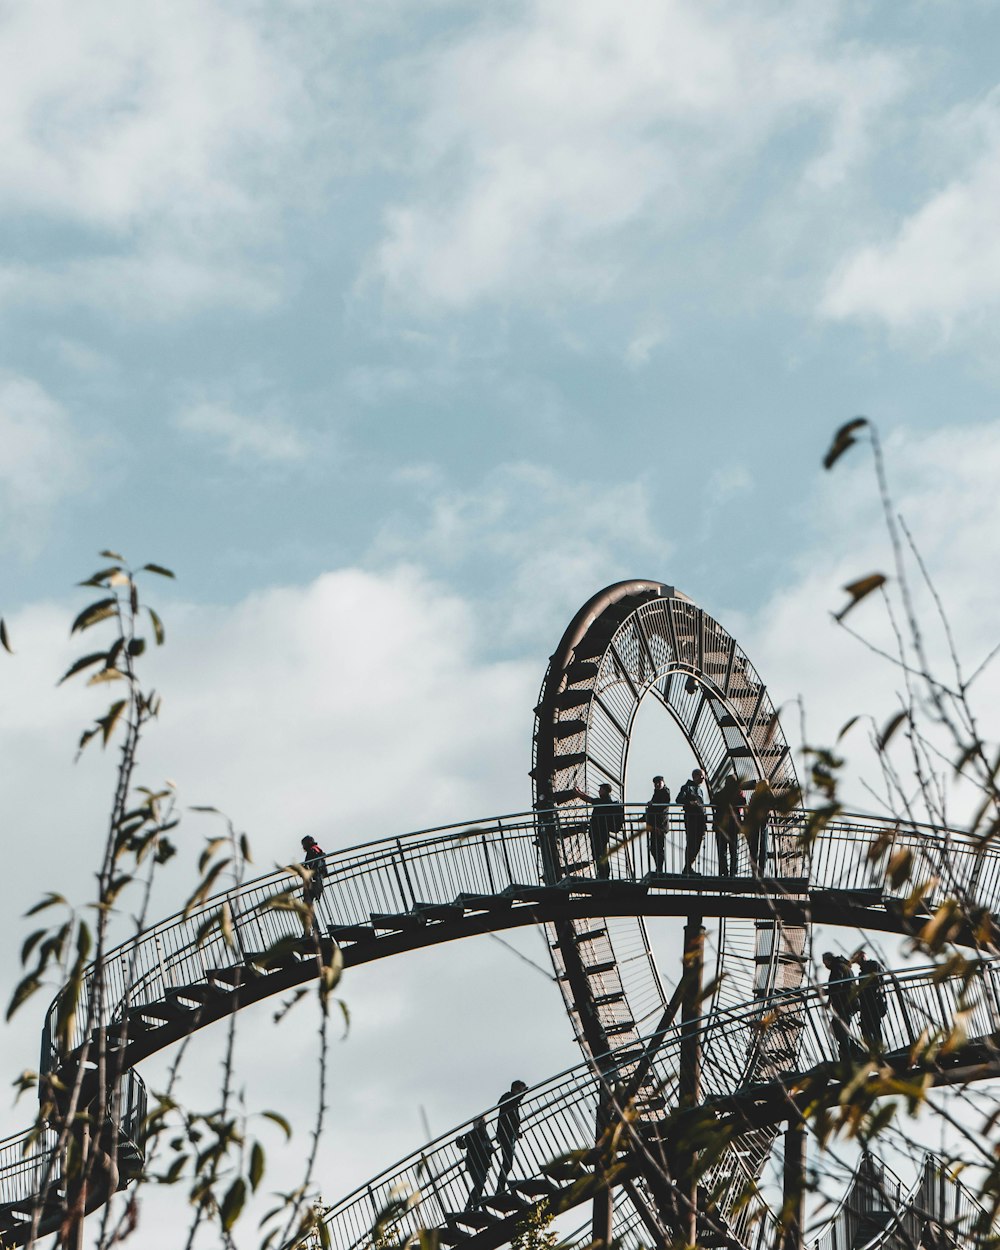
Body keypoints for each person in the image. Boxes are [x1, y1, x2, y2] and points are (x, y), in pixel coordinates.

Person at [574, 783, 624, 878]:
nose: (599, 791)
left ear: (605, 790)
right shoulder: (609, 802)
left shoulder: (603, 801)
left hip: (598, 832)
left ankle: (603, 873)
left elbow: (588, 799)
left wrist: (577, 792)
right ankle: (604, 873)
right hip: (603, 832)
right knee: (602, 853)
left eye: (600, 789)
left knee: (598, 854)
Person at [823, 951, 856, 1062]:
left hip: (845, 1004)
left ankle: (850, 1055)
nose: (825, 966)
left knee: (840, 1029)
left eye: (825, 963)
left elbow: (836, 986)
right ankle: (852, 1051)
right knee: (837, 1028)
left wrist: (826, 993)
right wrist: (830, 1001)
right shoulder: (843, 967)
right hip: (848, 1003)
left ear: (828, 960)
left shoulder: (837, 968)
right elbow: (837, 986)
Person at [495, 1079, 528, 1190]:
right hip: (505, 1135)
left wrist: (517, 1132)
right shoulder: (508, 1097)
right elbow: (503, 1105)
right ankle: (500, 1189)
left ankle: (500, 1188)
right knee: (508, 1163)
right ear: (515, 1089)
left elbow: (513, 1120)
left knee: (508, 1163)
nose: (523, 1094)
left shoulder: (515, 1102)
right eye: (521, 1090)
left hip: (509, 1135)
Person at [853, 949, 887, 1051]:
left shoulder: (872, 965)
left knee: (873, 1027)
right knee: (870, 1028)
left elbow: (877, 981)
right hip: (870, 1003)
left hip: (873, 1002)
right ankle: (874, 1050)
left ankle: (877, 1050)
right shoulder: (864, 970)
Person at [458, 1116, 493, 1210]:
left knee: (480, 1186)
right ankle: (469, 1206)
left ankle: (474, 1206)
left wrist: (490, 1152)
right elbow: (463, 1145)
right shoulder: (472, 1134)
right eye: (479, 1122)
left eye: (483, 1121)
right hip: (474, 1164)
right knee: (479, 1184)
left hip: (483, 1165)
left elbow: (487, 1148)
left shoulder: (485, 1135)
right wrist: (458, 1141)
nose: (482, 1123)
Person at [713, 774, 744, 876]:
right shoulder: (737, 795)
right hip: (733, 827)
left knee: (722, 851)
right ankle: (733, 872)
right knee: (733, 851)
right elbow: (743, 802)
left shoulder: (719, 795)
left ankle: (723, 871)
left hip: (721, 826)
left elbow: (713, 802)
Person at [677, 769, 707, 875]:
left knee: (697, 844)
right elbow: (679, 799)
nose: (703, 779)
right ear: (695, 776)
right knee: (692, 844)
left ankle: (688, 867)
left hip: (699, 820)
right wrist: (690, 803)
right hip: (692, 819)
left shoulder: (700, 790)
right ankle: (688, 868)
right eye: (701, 776)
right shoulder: (687, 787)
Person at [644, 776, 671, 874]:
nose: (657, 785)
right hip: (655, 825)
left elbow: (661, 806)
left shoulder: (665, 792)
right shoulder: (658, 793)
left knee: (658, 848)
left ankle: (659, 868)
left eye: (659, 782)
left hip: (660, 825)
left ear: (663, 782)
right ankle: (659, 868)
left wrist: (652, 805)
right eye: (655, 783)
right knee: (654, 848)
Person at [301, 836, 327, 903]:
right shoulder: (318, 850)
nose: (303, 847)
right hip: (319, 877)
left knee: (307, 899)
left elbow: (309, 864)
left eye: (304, 844)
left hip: (314, 878)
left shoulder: (312, 850)